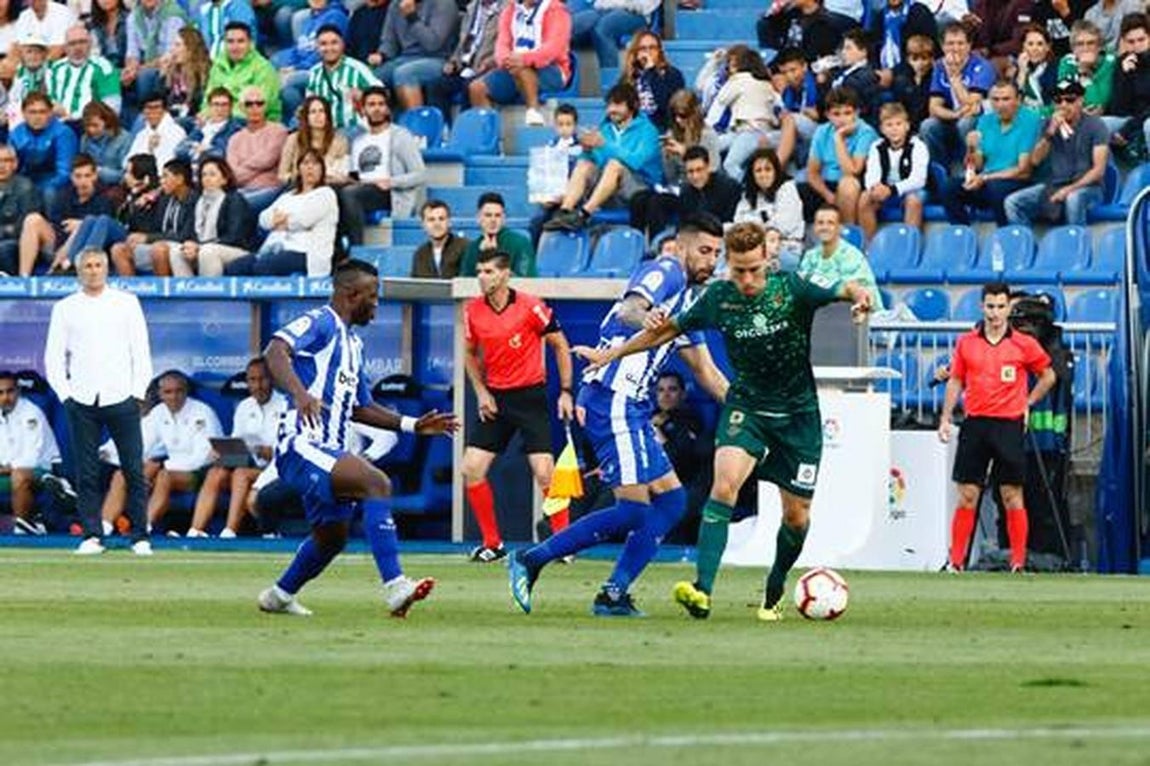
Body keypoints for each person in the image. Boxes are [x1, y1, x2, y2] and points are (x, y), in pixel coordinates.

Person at [571, 221, 872, 621]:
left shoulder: (793, 289)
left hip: (798, 417)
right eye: (738, 270)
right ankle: (702, 591)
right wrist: (610, 355)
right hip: (746, 407)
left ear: (768, 260)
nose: (746, 280)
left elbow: (844, 288)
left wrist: (861, 296)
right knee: (724, 485)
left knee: (796, 516)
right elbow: (665, 332)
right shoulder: (718, 298)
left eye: (754, 270)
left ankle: (775, 588)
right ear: (729, 264)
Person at [507, 214, 731, 617]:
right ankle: (531, 559)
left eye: (717, 253)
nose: (710, 261)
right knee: (633, 510)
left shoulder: (689, 303)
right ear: (681, 246)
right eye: (704, 250)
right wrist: (647, 318)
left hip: (632, 407)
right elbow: (631, 308)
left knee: (672, 501)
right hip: (614, 400)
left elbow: (706, 372)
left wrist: (748, 411)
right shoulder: (666, 271)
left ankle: (613, 594)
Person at [255, 259, 458, 618]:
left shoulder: (354, 344)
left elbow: (361, 407)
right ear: (350, 294)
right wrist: (301, 394)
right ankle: (395, 586)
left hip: (330, 449)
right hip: (301, 443)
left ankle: (278, 596)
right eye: (372, 296)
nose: (377, 304)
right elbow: (275, 350)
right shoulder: (321, 322)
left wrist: (412, 425)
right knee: (376, 483)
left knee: (331, 537)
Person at [460, 249, 574, 561]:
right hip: (496, 399)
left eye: (488, 271)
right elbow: (469, 353)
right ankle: (492, 544)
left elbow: (560, 345)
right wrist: (481, 393)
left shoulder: (531, 306)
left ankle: (564, 545)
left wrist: (566, 391)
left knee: (545, 473)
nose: (482, 277)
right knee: (471, 468)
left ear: (505, 274)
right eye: (479, 271)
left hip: (530, 397)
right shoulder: (472, 310)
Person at [938, 282, 1057, 573]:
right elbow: (956, 380)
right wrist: (945, 417)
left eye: (1000, 307)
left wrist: (1028, 401)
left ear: (1008, 308)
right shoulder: (967, 343)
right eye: (990, 306)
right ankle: (956, 561)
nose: (994, 313)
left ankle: (1017, 562)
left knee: (1011, 494)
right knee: (968, 494)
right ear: (982, 307)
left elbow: (1048, 375)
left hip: (1008, 425)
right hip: (976, 423)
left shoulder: (1023, 344)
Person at [44, 246, 154, 556]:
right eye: (88, 266)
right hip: (81, 398)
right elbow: (54, 357)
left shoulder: (126, 303)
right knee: (87, 472)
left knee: (133, 469)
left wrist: (137, 393)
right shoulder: (65, 308)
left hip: (122, 397)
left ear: (106, 269)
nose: (93, 271)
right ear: (79, 271)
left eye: (98, 265)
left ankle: (140, 536)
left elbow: (141, 352)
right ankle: (92, 535)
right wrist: (66, 396)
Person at [102, 371, 223, 532]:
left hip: (200, 474)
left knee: (163, 476)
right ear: (160, 394)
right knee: (122, 475)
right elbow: (141, 443)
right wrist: (110, 454)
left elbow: (203, 456)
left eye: (179, 391)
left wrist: (164, 465)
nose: (174, 397)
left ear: (186, 391)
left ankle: (143, 527)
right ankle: (104, 527)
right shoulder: (159, 412)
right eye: (168, 392)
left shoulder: (202, 412)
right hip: (168, 469)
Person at [187, 358, 287, 537]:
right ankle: (196, 531)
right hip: (249, 463)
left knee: (241, 474)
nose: (258, 385)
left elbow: (291, 450)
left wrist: (269, 452)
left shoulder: (286, 405)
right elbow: (237, 440)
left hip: (276, 470)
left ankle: (230, 531)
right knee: (215, 473)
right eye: (252, 380)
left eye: (262, 379)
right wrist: (223, 452)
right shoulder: (244, 406)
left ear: (272, 379)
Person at [542, 82, 662, 232]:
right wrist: (588, 150)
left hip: (639, 189)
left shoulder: (648, 131)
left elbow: (637, 161)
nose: (611, 110)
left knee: (614, 165)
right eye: (609, 105)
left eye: (617, 105)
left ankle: (583, 214)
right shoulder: (605, 128)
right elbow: (597, 161)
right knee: (584, 163)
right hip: (607, 189)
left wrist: (605, 145)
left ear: (632, 106)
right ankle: (564, 212)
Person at [1003, 79, 1108, 226]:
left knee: (1073, 198)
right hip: (1054, 185)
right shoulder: (1048, 124)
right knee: (1012, 202)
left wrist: (1068, 190)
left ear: (1080, 101)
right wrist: (1050, 133)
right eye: (1058, 101)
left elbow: (1098, 171)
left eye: (1070, 100)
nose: (1063, 105)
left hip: (1089, 188)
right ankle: (1026, 240)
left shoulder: (1096, 125)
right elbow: (1035, 160)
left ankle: (1076, 239)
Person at [942, 79, 1041, 226]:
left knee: (995, 188)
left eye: (1006, 99)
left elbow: (1024, 170)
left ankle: (1004, 234)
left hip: (1018, 181)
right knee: (949, 187)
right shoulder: (985, 121)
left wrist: (985, 178)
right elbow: (977, 165)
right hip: (988, 180)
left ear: (1018, 100)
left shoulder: (1030, 120)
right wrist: (971, 148)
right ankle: (962, 233)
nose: (1000, 105)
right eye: (995, 99)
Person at [228, 149, 339, 275]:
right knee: (235, 267)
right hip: (275, 248)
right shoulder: (288, 196)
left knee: (264, 265)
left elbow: (302, 220)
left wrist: (282, 221)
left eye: (315, 163)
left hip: (305, 252)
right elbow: (263, 219)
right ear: (299, 169)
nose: (310, 167)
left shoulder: (326, 194)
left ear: (322, 170)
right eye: (305, 163)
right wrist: (275, 221)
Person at [339, 85, 426, 242]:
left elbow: (420, 174)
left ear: (387, 109)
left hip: (388, 192)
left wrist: (390, 182)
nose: (377, 109)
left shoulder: (400, 136)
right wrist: (347, 178)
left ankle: (357, 248)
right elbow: (355, 174)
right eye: (371, 105)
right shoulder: (358, 140)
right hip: (362, 186)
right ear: (363, 110)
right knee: (331, 192)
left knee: (350, 194)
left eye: (381, 104)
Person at [468, 0, 571, 126]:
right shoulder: (509, 10)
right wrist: (506, 60)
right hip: (513, 67)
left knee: (522, 69)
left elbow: (554, 48)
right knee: (477, 88)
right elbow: (501, 45)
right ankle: (486, 130)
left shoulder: (557, 10)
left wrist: (524, 59)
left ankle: (533, 113)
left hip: (551, 69)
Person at [17, 152, 113, 276]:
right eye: (78, 176)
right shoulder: (64, 193)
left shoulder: (105, 196)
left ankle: (57, 270)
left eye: (87, 176)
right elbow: (57, 224)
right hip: (59, 242)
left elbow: (103, 229)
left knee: (83, 226)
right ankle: (24, 277)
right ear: (71, 177)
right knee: (32, 219)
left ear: (95, 176)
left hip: (85, 250)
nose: (83, 181)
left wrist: (82, 225)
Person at [799, 86, 878, 224]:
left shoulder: (866, 132)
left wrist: (839, 138)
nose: (842, 119)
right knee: (791, 189)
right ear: (828, 115)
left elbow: (853, 171)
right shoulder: (822, 131)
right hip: (826, 185)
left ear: (857, 113)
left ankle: (846, 234)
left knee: (848, 184)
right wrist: (827, 195)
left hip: (856, 183)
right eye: (836, 114)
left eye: (847, 113)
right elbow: (812, 172)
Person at [921, 22, 996, 167]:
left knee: (965, 123)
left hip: (979, 120)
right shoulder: (939, 66)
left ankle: (967, 166)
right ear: (942, 46)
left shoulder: (982, 66)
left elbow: (971, 105)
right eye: (950, 44)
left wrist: (955, 78)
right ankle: (939, 169)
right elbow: (934, 108)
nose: (955, 48)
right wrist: (955, 114)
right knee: (928, 126)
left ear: (969, 45)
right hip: (954, 117)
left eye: (960, 43)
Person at [0, 369, 63, 536]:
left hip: (41, 471)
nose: (5, 397)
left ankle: (24, 528)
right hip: (6, 471)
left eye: (10, 391)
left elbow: (31, 459)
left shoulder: (31, 413)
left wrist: (5, 469)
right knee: (16, 475)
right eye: (0, 393)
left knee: (19, 476)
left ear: (18, 391)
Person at [172, 156, 255, 276]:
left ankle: (209, 288)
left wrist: (199, 246)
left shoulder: (234, 199)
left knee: (207, 251)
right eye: (204, 175)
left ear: (224, 179)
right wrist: (190, 245)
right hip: (205, 247)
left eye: (212, 174)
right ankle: (186, 288)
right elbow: (188, 233)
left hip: (235, 249)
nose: (207, 179)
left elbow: (234, 237)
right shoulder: (198, 201)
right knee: (177, 251)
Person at [858, 102, 929, 240]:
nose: (894, 129)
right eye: (889, 125)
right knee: (865, 197)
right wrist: (875, 188)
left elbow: (918, 180)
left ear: (907, 126)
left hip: (911, 190)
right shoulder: (877, 146)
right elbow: (871, 175)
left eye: (898, 124)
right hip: (885, 191)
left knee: (913, 201)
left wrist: (892, 190)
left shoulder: (918, 146)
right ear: (882, 129)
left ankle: (910, 245)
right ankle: (870, 245)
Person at [117, 157, 198, 276]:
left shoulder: (194, 201)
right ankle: (129, 288)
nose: (161, 181)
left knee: (158, 249)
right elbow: (150, 227)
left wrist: (148, 238)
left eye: (165, 176)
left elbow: (184, 235)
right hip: (159, 244)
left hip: (184, 248)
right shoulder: (164, 199)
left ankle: (162, 287)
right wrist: (138, 202)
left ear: (180, 179)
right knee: (119, 249)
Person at [374, 0, 459, 109]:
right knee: (371, 77)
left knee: (405, 73)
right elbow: (389, 40)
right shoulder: (396, 4)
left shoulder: (444, 3)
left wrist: (412, 17)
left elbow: (433, 44)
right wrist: (382, 55)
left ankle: (416, 119)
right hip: (405, 58)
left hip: (438, 58)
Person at [797, 205, 884, 310]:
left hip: (859, 312)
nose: (824, 227)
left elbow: (853, 291)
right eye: (820, 223)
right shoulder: (810, 256)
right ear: (814, 228)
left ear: (839, 228)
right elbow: (802, 286)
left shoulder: (851, 255)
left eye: (830, 223)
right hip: (824, 311)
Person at [732, 147, 804, 269]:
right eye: (758, 170)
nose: (763, 174)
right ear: (752, 174)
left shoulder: (788, 189)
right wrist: (761, 227)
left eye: (768, 169)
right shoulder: (749, 194)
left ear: (775, 171)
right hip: (754, 247)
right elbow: (738, 221)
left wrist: (753, 226)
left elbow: (782, 226)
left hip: (785, 249)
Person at [304, 24, 381, 131]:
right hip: (326, 131)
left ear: (342, 45)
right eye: (323, 44)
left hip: (354, 129)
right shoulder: (314, 73)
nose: (329, 48)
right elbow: (310, 105)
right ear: (317, 47)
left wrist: (364, 95)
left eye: (334, 43)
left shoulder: (356, 68)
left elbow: (383, 94)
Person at [10, 91, 78, 211]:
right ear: (24, 114)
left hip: (55, 182)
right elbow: (9, 167)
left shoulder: (64, 133)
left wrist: (36, 188)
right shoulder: (16, 134)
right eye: (32, 112)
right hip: (26, 180)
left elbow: (65, 172)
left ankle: (54, 222)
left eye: (42, 112)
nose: (37, 117)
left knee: (49, 192)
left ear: (50, 113)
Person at [225, 84, 289, 213]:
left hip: (269, 188)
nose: (255, 108)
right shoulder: (234, 139)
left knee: (235, 206)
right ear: (242, 108)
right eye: (249, 104)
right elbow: (232, 173)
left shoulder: (278, 131)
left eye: (259, 103)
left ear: (265, 106)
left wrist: (243, 166)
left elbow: (267, 160)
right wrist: (253, 169)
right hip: (241, 190)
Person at [204, 21, 282, 122]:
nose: (235, 47)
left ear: (250, 43)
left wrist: (223, 115)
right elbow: (207, 99)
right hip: (218, 119)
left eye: (240, 41)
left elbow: (260, 106)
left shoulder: (263, 68)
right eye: (230, 41)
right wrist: (205, 114)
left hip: (253, 122)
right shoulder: (217, 65)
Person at [47, 24, 122, 121]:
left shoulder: (104, 68)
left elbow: (112, 108)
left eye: (82, 42)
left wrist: (74, 117)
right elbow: (47, 99)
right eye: (72, 43)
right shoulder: (55, 68)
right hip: (56, 123)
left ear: (90, 44)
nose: (78, 47)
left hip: (89, 124)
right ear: (65, 48)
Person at [618, 31, 684, 132]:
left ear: (659, 51)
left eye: (652, 48)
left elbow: (667, 106)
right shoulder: (627, 78)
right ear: (636, 53)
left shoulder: (673, 74)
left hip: (663, 130)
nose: (647, 52)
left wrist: (651, 71)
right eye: (643, 48)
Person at [459, 190, 535, 277]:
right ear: (478, 218)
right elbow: (465, 281)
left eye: (497, 215)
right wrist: (481, 254)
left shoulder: (520, 243)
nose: (493, 220)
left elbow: (526, 280)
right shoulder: (472, 248)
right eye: (488, 215)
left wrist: (495, 255)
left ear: (503, 219)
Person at [278, 94, 349, 186]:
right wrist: (299, 179)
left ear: (327, 116)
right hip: (298, 187)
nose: (317, 115)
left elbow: (343, 176)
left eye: (321, 111)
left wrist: (319, 180)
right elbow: (282, 174)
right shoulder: (293, 139)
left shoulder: (340, 141)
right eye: (313, 112)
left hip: (329, 187)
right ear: (306, 117)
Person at [569, 0, 658, 69]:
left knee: (603, 29)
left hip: (634, 13)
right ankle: (563, 79)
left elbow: (645, 6)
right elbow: (598, 3)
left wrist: (621, 4)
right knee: (569, 25)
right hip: (604, 9)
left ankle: (610, 82)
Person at [0, 144, 43, 276]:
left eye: (6, 161)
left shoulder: (25, 187)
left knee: (4, 249)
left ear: (15, 164)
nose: (1, 166)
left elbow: (24, 228)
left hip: (17, 244)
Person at [124, 91, 188, 171]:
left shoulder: (177, 132)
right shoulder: (141, 134)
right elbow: (126, 162)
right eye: (148, 108)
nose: (152, 112)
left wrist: (151, 152)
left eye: (156, 107)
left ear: (165, 110)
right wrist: (148, 148)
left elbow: (165, 166)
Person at [411, 198, 468, 278]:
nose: (437, 224)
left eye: (441, 219)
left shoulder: (465, 247)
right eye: (431, 220)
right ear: (423, 225)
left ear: (449, 222)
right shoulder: (420, 254)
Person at [79, 101, 131, 185]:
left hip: (115, 185)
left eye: (95, 125)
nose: (91, 130)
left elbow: (125, 174)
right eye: (87, 125)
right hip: (91, 183)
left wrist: (99, 171)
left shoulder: (124, 139)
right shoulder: (85, 138)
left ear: (107, 122)